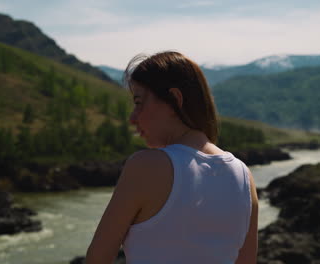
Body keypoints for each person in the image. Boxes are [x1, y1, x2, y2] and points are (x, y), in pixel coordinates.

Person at [85, 51, 258, 264]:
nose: (132, 117)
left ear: (175, 100)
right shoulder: (243, 176)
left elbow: (97, 259)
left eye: (139, 102)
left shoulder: (146, 167)